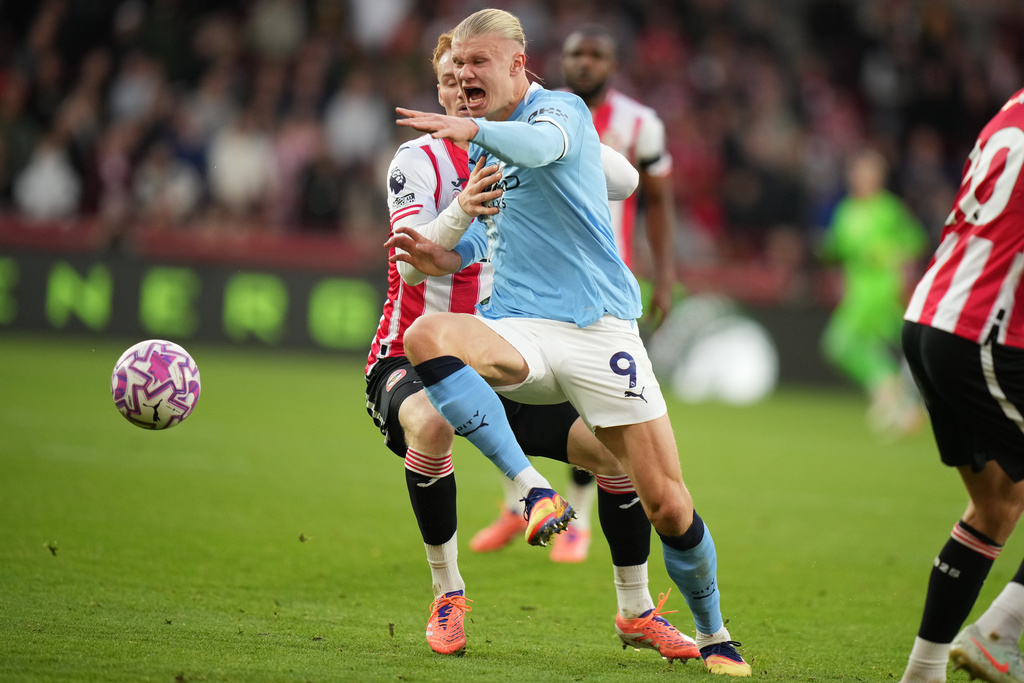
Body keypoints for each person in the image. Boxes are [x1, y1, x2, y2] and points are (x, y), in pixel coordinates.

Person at [386, 9, 751, 676]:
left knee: (667, 500)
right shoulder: (485, 149)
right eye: (457, 67)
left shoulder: (561, 112)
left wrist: (474, 129)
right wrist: (440, 251)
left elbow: (547, 150)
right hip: (522, 329)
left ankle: (715, 630)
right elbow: (483, 239)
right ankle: (529, 489)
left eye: (480, 63)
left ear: (518, 66)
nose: (467, 76)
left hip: (600, 331)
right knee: (427, 334)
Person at [470, 23, 678, 565]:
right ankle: (522, 499)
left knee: (586, 403)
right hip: (525, 271)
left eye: (595, 54)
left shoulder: (638, 125)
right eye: (574, 54)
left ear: (613, 63)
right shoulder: (525, 115)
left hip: (600, 282)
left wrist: (667, 272)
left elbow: (653, 197)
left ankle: (578, 516)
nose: (584, 62)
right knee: (512, 391)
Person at [899, 87, 1024, 683]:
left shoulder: (1012, 108)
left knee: (996, 503)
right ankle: (1001, 634)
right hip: (983, 334)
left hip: (929, 318)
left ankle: (921, 673)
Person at [819, 147, 928, 437]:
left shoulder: (888, 209)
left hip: (881, 288)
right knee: (866, 344)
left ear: (878, 178)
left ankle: (890, 390)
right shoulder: (847, 209)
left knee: (841, 343)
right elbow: (839, 248)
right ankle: (896, 395)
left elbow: (914, 241)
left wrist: (890, 256)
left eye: (865, 173)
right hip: (857, 289)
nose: (859, 178)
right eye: (855, 173)